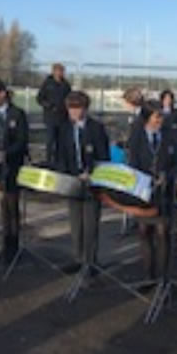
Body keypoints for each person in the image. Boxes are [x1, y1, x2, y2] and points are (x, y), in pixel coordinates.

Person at [128, 99, 177, 284]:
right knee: (144, 231)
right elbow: (133, 162)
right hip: (144, 191)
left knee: (163, 232)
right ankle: (148, 275)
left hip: (163, 192)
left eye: (161, 116)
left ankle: (164, 278)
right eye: (156, 116)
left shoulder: (171, 135)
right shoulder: (136, 135)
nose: (160, 120)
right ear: (147, 118)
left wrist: (168, 176)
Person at [57, 91, 110, 272]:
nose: (73, 112)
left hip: (91, 180)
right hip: (73, 179)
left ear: (85, 108)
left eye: (77, 108)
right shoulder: (64, 128)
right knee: (75, 221)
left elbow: (103, 155)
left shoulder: (96, 128)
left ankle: (91, 261)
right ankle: (77, 258)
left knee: (90, 223)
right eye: (70, 109)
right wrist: (68, 174)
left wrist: (92, 172)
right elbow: (61, 154)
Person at [0, 79, 29, 265]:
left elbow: (21, 140)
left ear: (2, 94)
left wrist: (7, 153)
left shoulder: (17, 114)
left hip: (13, 165)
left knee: (12, 206)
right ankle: (5, 245)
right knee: (3, 206)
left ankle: (14, 246)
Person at [37, 63, 72, 164]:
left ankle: (59, 160)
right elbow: (40, 98)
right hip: (50, 117)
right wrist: (49, 106)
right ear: (53, 72)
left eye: (61, 71)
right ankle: (49, 160)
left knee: (61, 141)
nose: (60, 73)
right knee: (50, 140)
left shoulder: (66, 85)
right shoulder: (47, 84)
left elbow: (69, 99)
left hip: (62, 117)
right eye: (58, 71)